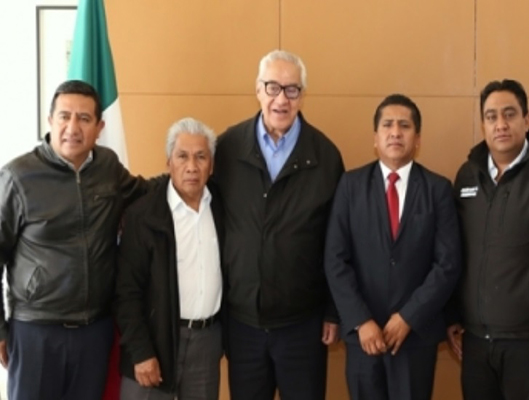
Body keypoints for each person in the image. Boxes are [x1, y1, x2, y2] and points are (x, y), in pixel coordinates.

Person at [0, 80, 149, 400]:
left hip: (94, 332)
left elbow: (148, 196)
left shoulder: (108, 167)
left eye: (84, 118)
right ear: (50, 120)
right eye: (64, 116)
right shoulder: (18, 176)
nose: (72, 127)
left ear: (99, 127)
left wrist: (189, 176)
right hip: (36, 330)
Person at [212, 49, 345, 400]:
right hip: (242, 324)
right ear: (257, 89)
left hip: (303, 326)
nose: (281, 99)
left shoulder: (326, 156)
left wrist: (333, 311)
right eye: (272, 87)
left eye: (292, 89)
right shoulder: (227, 148)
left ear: (303, 95)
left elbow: (338, 243)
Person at [324, 94, 461, 400]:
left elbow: (447, 264)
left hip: (415, 336)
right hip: (363, 336)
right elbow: (335, 259)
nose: (395, 132)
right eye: (387, 125)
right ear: (375, 138)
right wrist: (361, 320)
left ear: (418, 138)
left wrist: (409, 317)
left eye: (404, 126)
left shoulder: (438, 189)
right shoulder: (350, 186)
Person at [447, 79, 529, 400]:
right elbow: (455, 252)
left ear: (527, 120)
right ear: (483, 124)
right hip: (475, 342)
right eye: (491, 116)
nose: (500, 124)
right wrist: (453, 315)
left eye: (509, 114)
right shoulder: (467, 175)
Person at [115, 118, 224, 400]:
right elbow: (126, 292)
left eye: (201, 157)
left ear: (212, 165)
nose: (192, 167)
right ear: (169, 163)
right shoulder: (143, 215)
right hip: (154, 341)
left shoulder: (223, 208)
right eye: (182, 156)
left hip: (206, 342)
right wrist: (140, 352)